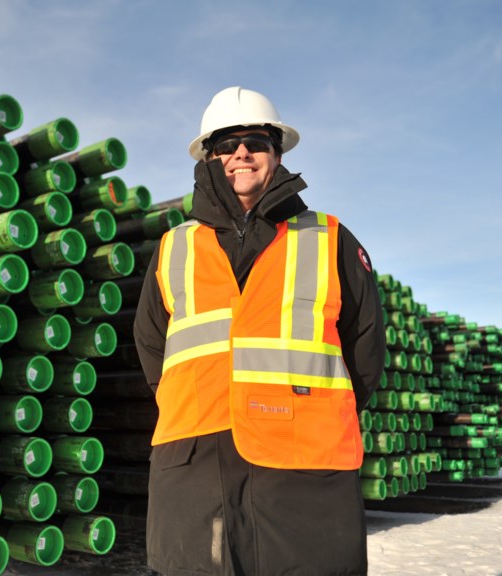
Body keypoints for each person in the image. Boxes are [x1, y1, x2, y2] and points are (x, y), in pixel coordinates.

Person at [133, 86, 386, 575]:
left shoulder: (328, 238)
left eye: (255, 141)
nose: (240, 153)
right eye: (226, 143)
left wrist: (311, 413)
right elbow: (152, 348)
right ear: (209, 157)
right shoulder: (173, 248)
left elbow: (365, 350)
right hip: (195, 463)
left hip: (304, 471)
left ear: (278, 153)